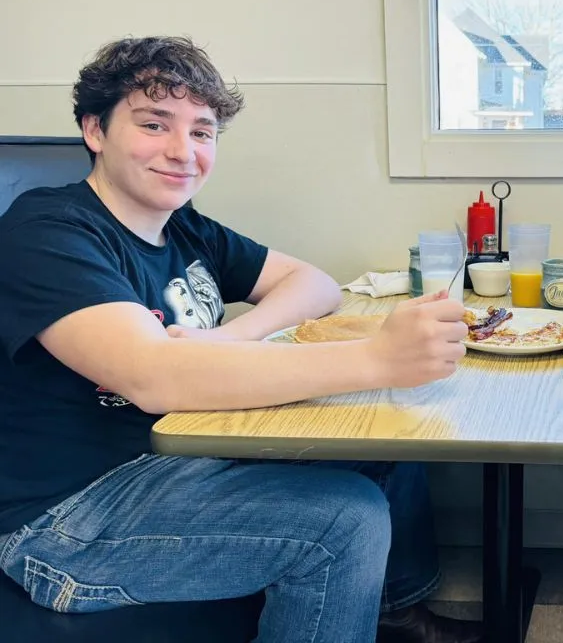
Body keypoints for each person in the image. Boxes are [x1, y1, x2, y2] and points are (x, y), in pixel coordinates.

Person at [0, 36, 483, 643]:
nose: (183, 152)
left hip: (176, 457)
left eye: (202, 133)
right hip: (67, 519)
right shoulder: (47, 230)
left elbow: (311, 283)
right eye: (154, 124)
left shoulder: (184, 228)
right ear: (95, 130)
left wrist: (231, 338)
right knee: (344, 521)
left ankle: (397, 618)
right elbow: (151, 376)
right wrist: (376, 357)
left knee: (375, 434)